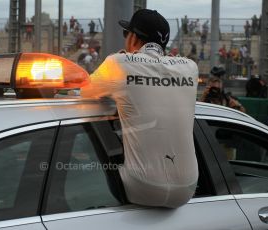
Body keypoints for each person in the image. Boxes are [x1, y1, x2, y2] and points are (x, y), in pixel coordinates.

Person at [81, 9, 199, 208]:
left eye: (126, 34)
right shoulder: (190, 67)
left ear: (133, 37)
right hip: (188, 188)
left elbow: (85, 93)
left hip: (141, 186)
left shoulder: (118, 64)